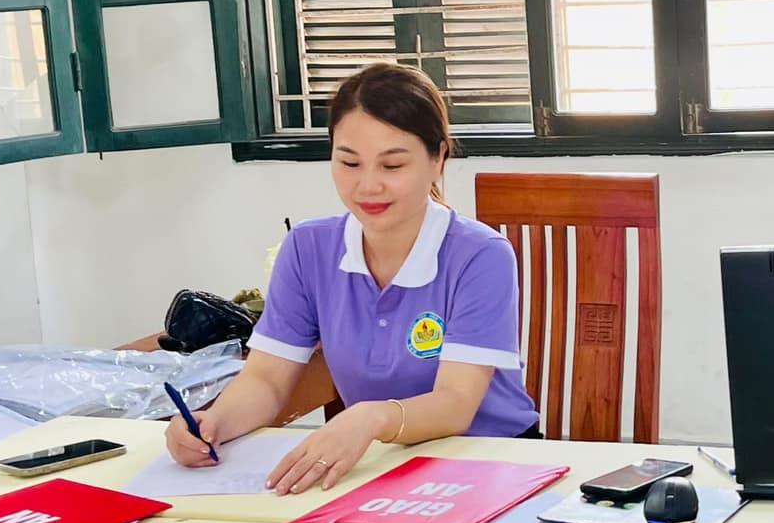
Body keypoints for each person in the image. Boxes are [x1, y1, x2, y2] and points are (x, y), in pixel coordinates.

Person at [165, 63, 540, 492]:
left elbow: (455, 404)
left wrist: (370, 416)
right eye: (349, 162)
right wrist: (214, 422)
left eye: (392, 165)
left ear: (438, 158)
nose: (368, 186)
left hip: (491, 463)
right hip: (380, 466)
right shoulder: (307, 248)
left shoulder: (480, 255)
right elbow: (267, 379)